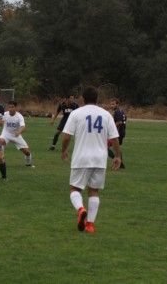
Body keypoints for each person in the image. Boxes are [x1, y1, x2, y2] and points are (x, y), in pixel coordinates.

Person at [61, 86, 121, 233]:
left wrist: (63, 150)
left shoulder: (76, 113)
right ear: (97, 99)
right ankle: (90, 225)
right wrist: (118, 156)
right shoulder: (106, 114)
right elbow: (114, 138)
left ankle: (81, 209)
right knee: (94, 191)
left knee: (75, 189)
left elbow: (67, 137)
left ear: (83, 98)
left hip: (81, 157)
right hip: (100, 158)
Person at [0, 100, 33, 167]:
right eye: (9, 107)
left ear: (15, 108)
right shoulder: (4, 114)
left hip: (16, 135)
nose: (10, 109)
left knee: (27, 152)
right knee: (0, 142)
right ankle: (0, 160)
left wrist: (19, 132)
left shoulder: (19, 116)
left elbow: (23, 127)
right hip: (6, 134)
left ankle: (28, 164)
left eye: (12, 107)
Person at [108, 97, 126, 169]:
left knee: (105, 147)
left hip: (118, 133)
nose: (111, 106)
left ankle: (118, 161)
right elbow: (124, 121)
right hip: (122, 132)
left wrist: (112, 129)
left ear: (117, 104)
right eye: (111, 104)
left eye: (113, 104)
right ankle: (120, 163)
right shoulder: (121, 111)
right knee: (117, 147)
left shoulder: (117, 112)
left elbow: (119, 122)